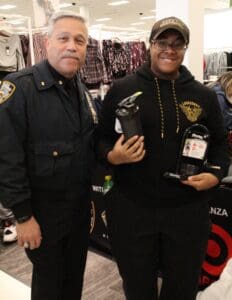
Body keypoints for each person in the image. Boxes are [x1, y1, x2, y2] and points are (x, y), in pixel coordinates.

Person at [95, 16, 229, 300]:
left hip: (187, 212)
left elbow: (219, 144)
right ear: (150, 46)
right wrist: (113, 155)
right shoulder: (122, 89)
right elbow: (100, 138)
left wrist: (216, 174)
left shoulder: (203, 95)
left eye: (178, 44)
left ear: (185, 49)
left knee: (182, 289)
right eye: (162, 43)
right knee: (137, 287)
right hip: (132, 210)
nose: (170, 49)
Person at [0, 12, 97, 300]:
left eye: (79, 40)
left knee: (73, 280)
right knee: (49, 286)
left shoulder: (81, 90)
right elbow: (6, 159)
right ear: (47, 42)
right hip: (42, 215)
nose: (72, 46)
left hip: (78, 211)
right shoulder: (20, 88)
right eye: (63, 38)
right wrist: (23, 216)